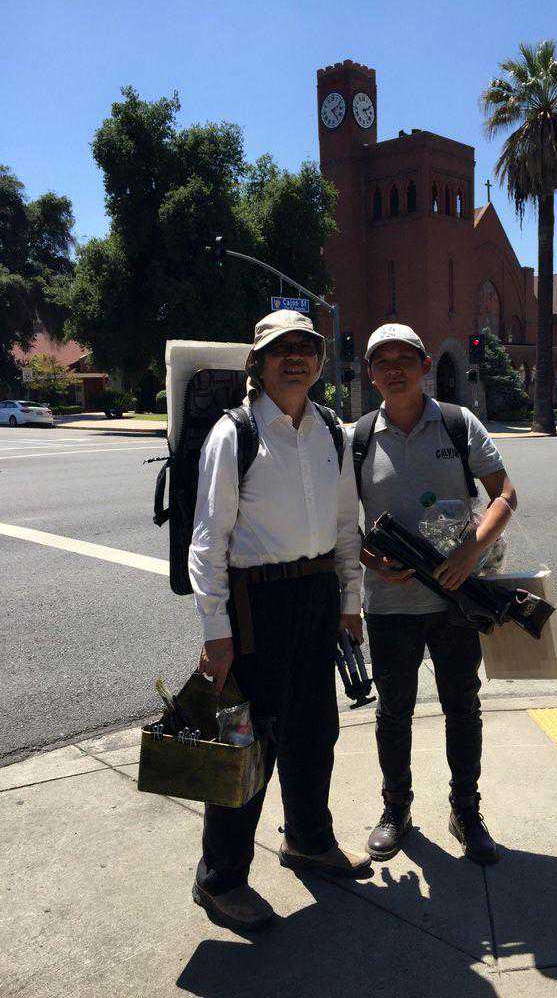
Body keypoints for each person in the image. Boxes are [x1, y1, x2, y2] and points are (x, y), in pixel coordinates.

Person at [188, 308, 371, 933]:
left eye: (306, 348)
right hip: (255, 605)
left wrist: (350, 603)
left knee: (315, 730)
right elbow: (208, 541)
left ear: (319, 361)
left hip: (317, 595)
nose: (295, 358)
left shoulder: (330, 431)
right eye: (280, 349)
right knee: (249, 741)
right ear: (258, 363)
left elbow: (346, 525)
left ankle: (308, 841)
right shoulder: (234, 433)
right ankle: (220, 878)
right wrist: (216, 632)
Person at [356, 324, 517, 866]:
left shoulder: (456, 422)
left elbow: (504, 493)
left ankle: (466, 810)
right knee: (393, 711)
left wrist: (471, 551)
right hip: (389, 605)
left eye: (405, 359)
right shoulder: (357, 438)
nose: (394, 369)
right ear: (370, 373)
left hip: (455, 599)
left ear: (425, 366)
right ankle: (395, 808)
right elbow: (340, 522)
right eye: (382, 361)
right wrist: (369, 557)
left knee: (462, 706)